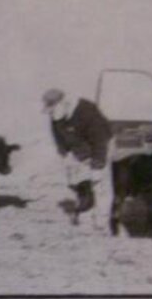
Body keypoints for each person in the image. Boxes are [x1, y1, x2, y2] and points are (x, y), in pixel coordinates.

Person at [42, 88, 115, 232]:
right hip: (78, 150)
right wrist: (65, 154)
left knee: (100, 185)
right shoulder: (56, 115)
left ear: (64, 103)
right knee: (80, 183)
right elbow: (57, 136)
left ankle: (101, 223)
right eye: (48, 110)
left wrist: (97, 165)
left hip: (100, 147)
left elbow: (100, 140)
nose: (50, 113)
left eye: (52, 109)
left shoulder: (87, 111)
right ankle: (85, 217)